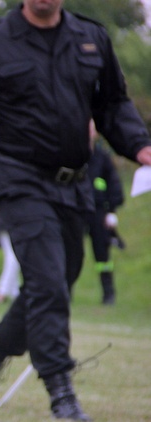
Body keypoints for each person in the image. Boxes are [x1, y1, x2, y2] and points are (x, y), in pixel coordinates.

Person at [0, 0, 151, 422]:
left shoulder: (91, 38)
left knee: (55, 283)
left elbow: (113, 105)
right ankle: (60, 388)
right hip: (18, 179)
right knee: (48, 283)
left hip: (74, 184)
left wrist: (140, 146)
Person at [86, 121, 125, 305]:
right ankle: (63, 293)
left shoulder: (102, 158)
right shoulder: (71, 157)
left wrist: (111, 211)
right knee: (69, 252)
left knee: (102, 254)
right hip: (75, 210)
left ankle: (108, 293)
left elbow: (114, 185)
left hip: (98, 211)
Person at [0, 206, 21, 304]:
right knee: (14, 257)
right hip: (10, 224)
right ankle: (2, 292)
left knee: (11, 256)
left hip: (4, 223)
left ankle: (15, 293)